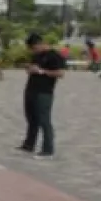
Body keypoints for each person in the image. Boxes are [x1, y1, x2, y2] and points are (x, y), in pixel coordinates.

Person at [19, 32, 66, 160]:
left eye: (34, 48)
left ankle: (48, 149)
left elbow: (60, 73)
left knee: (44, 120)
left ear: (40, 44)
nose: (33, 51)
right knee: (31, 118)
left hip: (44, 92)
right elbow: (33, 69)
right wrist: (29, 68)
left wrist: (41, 71)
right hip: (31, 89)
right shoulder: (37, 55)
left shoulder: (54, 56)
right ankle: (29, 144)